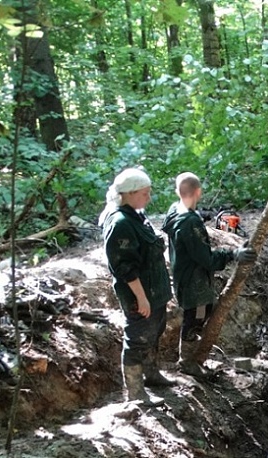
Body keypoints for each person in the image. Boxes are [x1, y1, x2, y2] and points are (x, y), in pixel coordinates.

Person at [161, 172, 256, 378]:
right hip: (195, 282)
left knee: (194, 317)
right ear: (198, 192)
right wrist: (233, 254)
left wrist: (198, 215)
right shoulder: (189, 222)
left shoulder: (174, 211)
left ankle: (191, 359)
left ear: (178, 192)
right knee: (195, 319)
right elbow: (207, 259)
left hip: (183, 276)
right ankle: (187, 363)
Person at [100, 168, 174, 406]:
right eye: (145, 193)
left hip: (155, 291)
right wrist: (141, 298)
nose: (149, 198)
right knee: (137, 338)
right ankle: (135, 394)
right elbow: (124, 268)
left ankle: (152, 375)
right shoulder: (120, 223)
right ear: (129, 194)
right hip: (140, 294)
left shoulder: (136, 216)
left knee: (154, 332)